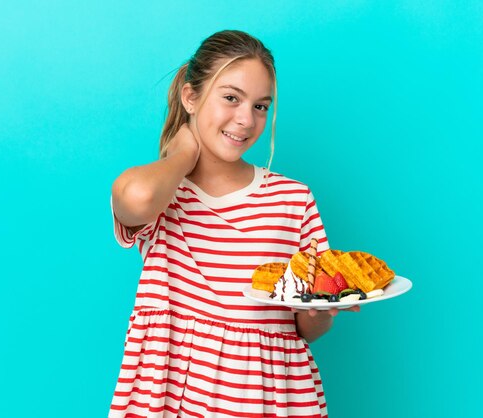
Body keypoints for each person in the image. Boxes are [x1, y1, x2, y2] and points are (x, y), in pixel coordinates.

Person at [109, 29, 358, 418]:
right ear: (190, 97)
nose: (246, 120)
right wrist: (183, 149)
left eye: (261, 106)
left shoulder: (292, 199)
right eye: (231, 98)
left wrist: (320, 312)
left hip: (265, 397)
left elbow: (305, 328)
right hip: (173, 395)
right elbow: (136, 198)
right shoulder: (163, 193)